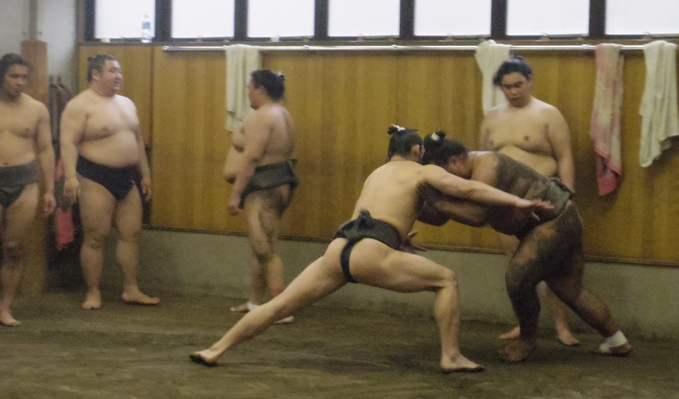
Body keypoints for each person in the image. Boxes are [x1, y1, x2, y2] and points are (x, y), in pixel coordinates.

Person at [190, 125, 551, 373]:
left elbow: (373, 216)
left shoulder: (376, 174)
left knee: (278, 305)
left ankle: (215, 349)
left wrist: (399, 239)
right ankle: (451, 355)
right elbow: (471, 191)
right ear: (416, 151)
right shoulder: (420, 172)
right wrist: (517, 203)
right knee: (446, 280)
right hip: (372, 254)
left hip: (339, 248)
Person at [421, 131, 631, 362]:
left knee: (517, 278)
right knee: (570, 290)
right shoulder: (463, 177)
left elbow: (478, 215)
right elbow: (440, 216)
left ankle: (527, 340)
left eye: (442, 174)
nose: (443, 182)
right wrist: (413, 203)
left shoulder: (487, 165)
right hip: (559, 218)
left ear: (454, 161)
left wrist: (438, 201)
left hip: (554, 219)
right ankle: (617, 341)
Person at [478, 55, 580, 346]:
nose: (514, 91)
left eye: (519, 84)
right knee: (516, 267)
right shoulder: (492, 117)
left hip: (543, 198)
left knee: (548, 264)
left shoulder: (548, 114)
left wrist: (568, 198)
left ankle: (561, 325)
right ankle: (523, 326)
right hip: (505, 203)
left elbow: (565, 157)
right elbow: (482, 160)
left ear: (530, 81)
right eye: (507, 87)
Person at [59, 54, 158, 310]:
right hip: (95, 176)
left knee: (131, 234)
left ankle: (131, 289)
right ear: (95, 75)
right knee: (95, 236)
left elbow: (137, 140)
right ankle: (93, 292)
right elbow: (68, 142)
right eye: (112, 71)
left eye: (120, 71)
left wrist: (145, 174)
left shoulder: (127, 103)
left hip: (127, 176)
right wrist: (71, 176)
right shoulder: (80, 105)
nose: (118, 76)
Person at [225, 70, 297, 322]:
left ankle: (280, 308)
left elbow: (252, 157)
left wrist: (236, 193)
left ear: (261, 90)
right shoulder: (282, 113)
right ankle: (256, 302)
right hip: (279, 183)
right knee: (262, 246)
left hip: (264, 186)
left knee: (265, 249)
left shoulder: (263, 116)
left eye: (249, 88)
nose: (248, 93)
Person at [0, 53, 56, 325]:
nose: (19, 82)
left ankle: (5, 308)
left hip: (24, 180)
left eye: (24, 77)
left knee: (13, 248)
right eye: (13, 76)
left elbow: (46, 150)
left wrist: (49, 190)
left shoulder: (36, 110)